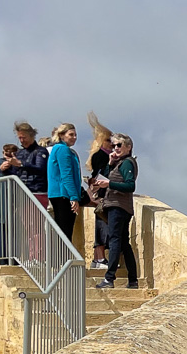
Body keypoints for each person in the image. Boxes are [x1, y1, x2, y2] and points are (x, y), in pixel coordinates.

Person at [94, 134, 138, 289]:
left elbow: (130, 186)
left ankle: (109, 278)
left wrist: (109, 184)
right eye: (113, 146)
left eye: (119, 145)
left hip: (119, 207)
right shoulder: (118, 163)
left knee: (114, 240)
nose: (116, 148)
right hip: (117, 206)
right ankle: (133, 280)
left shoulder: (127, 163)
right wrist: (110, 164)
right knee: (124, 243)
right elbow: (104, 179)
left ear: (128, 147)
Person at [85, 112, 113, 268]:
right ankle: (100, 258)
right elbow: (101, 173)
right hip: (102, 194)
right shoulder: (100, 156)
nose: (112, 143)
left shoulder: (104, 155)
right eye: (109, 140)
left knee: (102, 225)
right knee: (102, 226)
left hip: (103, 194)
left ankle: (98, 259)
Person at [46, 123, 82, 243]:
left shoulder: (61, 149)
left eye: (75, 135)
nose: (74, 137)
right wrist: (73, 196)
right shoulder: (62, 149)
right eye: (71, 134)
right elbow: (66, 174)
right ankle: (63, 260)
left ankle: (62, 259)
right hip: (62, 194)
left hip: (60, 194)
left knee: (63, 231)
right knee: (65, 232)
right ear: (61, 135)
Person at [0, 121, 49, 207]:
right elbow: (16, 175)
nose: (22, 141)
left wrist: (21, 164)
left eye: (24, 138)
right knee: (24, 220)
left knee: (37, 220)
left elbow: (40, 169)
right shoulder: (19, 153)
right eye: (20, 138)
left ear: (32, 136)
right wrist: (5, 170)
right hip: (22, 193)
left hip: (37, 193)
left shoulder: (41, 151)